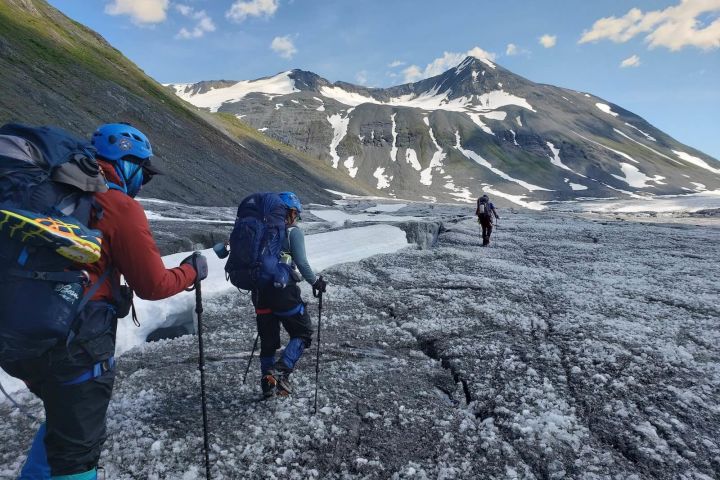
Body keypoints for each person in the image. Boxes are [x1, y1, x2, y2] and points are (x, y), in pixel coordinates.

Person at [2, 123, 208, 479]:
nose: (143, 183)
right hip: (75, 347)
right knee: (77, 453)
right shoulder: (116, 204)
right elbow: (154, 285)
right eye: (143, 173)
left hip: (18, 335)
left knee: (62, 422)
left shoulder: (48, 189)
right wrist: (192, 272)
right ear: (127, 163)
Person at [252, 192, 326, 397]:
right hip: (284, 292)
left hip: (259, 292)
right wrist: (316, 282)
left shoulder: (259, 229)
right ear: (291, 212)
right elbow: (301, 263)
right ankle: (279, 372)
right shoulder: (293, 232)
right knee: (302, 333)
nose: (297, 218)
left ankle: (267, 386)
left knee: (268, 341)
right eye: (297, 214)